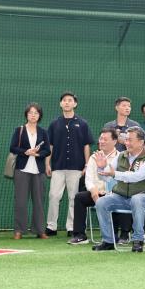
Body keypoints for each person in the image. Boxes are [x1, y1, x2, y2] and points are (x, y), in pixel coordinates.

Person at [92, 127, 145, 252]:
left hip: (144, 197)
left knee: (137, 199)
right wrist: (101, 169)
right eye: (126, 140)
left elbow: (137, 177)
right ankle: (108, 241)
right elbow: (106, 177)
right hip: (121, 197)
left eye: (130, 140)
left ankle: (138, 240)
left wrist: (114, 174)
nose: (126, 143)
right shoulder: (121, 155)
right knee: (101, 202)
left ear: (141, 142)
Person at [45, 92, 94, 236]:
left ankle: (72, 227)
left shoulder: (83, 123)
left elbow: (86, 146)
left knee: (74, 197)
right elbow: (51, 146)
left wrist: (87, 165)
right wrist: (47, 163)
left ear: (75, 104)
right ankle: (51, 226)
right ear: (61, 104)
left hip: (76, 167)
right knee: (54, 195)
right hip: (57, 166)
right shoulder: (54, 123)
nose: (67, 103)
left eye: (70, 100)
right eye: (64, 100)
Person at [68, 128, 119, 245]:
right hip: (96, 193)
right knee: (79, 197)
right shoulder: (93, 157)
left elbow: (119, 178)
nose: (102, 141)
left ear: (115, 141)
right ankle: (80, 235)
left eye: (105, 139)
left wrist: (109, 192)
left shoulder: (120, 157)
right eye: (101, 138)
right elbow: (89, 178)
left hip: (113, 194)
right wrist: (92, 190)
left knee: (118, 198)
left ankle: (119, 235)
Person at [10, 103, 51, 240]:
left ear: (39, 116)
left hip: (39, 170)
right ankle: (19, 230)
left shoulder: (43, 132)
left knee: (39, 201)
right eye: (31, 112)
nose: (33, 115)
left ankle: (40, 230)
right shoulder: (19, 130)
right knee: (20, 201)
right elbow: (13, 148)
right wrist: (26, 152)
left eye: (36, 113)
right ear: (26, 114)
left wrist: (38, 154)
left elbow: (47, 151)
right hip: (22, 169)